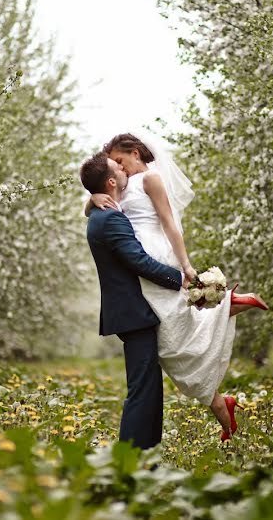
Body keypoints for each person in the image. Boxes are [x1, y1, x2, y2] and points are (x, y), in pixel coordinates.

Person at [86, 129, 268, 442]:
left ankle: (223, 304)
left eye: (120, 160)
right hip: (139, 258)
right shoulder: (119, 187)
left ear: (135, 153)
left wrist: (185, 266)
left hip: (152, 256)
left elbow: (170, 223)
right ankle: (224, 313)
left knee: (173, 324)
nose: (119, 166)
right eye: (114, 164)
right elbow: (104, 202)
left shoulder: (150, 179)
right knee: (170, 339)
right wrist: (91, 199)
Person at [79, 151, 186, 450]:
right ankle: (130, 456)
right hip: (132, 312)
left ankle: (146, 453)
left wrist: (92, 199)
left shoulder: (102, 213)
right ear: (112, 181)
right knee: (142, 389)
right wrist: (181, 280)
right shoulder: (111, 219)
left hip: (130, 312)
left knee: (148, 387)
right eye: (118, 168)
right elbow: (139, 262)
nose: (124, 169)